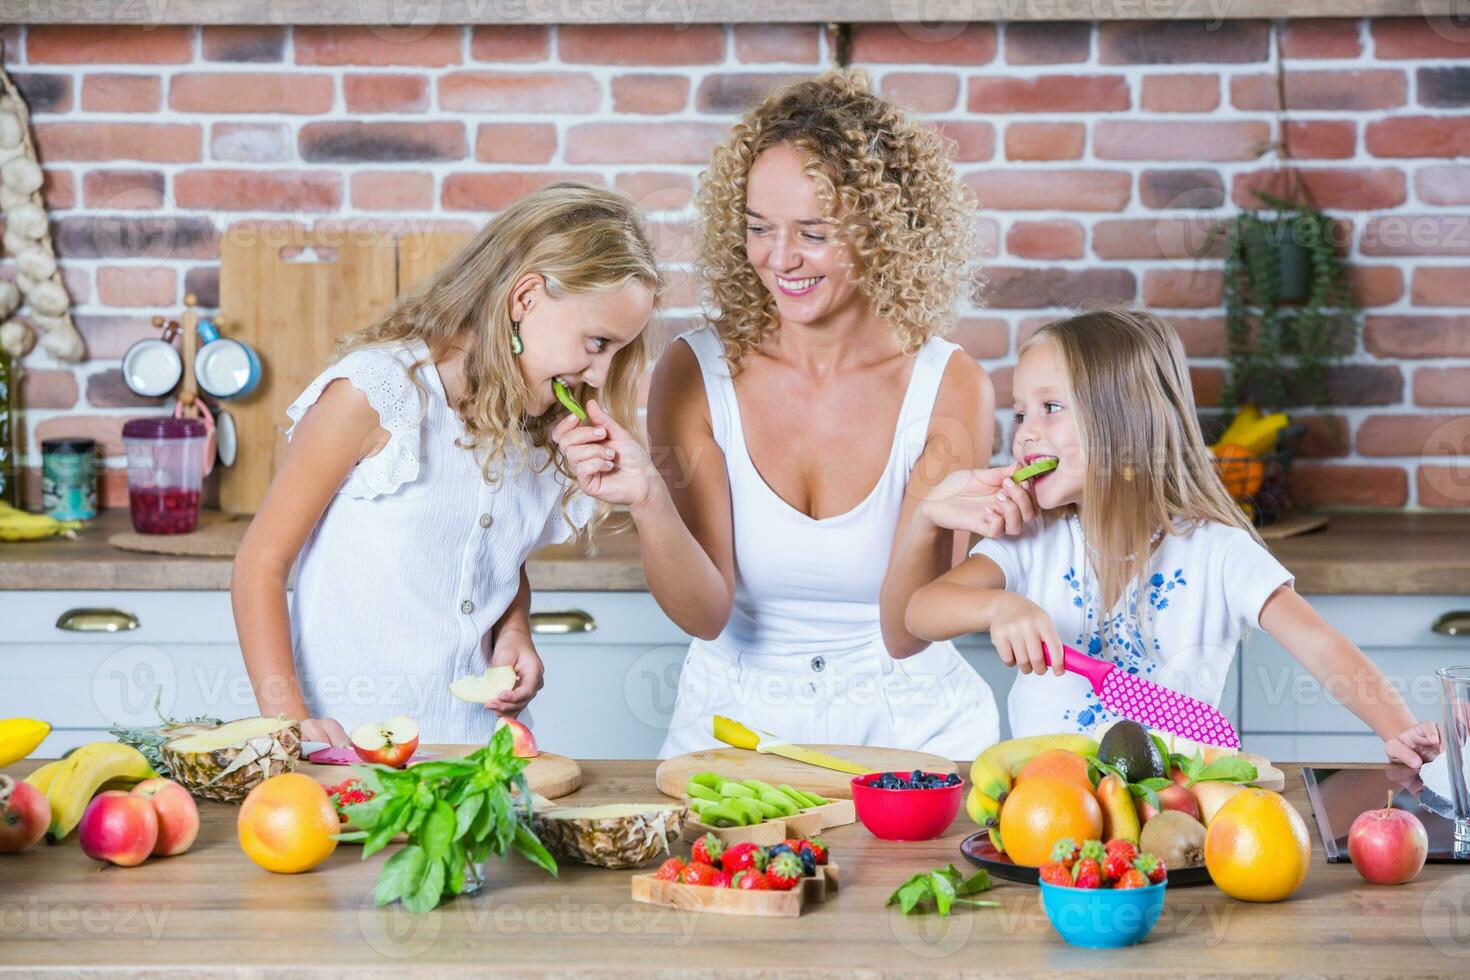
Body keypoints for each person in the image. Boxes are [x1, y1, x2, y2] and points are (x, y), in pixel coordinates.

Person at [554, 70, 1001, 759]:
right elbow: (706, 613)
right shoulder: (696, 371)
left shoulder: (949, 386)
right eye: (760, 229)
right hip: (732, 733)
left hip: (914, 736)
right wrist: (646, 499)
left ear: (883, 233)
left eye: (814, 233)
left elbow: (910, 630)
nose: (780, 258)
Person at [906, 307, 1442, 768]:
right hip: (1048, 807)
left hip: (1178, 811)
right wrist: (999, 609)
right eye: (1020, 411)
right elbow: (922, 611)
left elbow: (1322, 645)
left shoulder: (1217, 552)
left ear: (1125, 423)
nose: (1023, 431)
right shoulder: (1030, 541)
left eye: (1050, 408)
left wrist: (1396, 727)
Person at [232, 183, 658, 747]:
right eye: (597, 342)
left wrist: (514, 631)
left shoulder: (542, 428)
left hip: (482, 752)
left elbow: (487, 555)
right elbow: (261, 562)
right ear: (525, 298)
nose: (601, 374)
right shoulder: (376, 394)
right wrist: (289, 725)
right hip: (349, 751)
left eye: (617, 351)